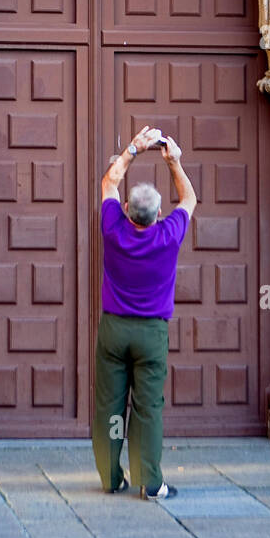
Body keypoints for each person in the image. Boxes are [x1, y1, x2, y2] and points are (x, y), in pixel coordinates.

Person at [93, 125, 197, 501]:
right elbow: (189, 199)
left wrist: (133, 150)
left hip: (114, 329)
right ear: (157, 215)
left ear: (126, 210)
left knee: (110, 404)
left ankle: (110, 476)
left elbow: (109, 181)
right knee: (148, 407)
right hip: (151, 332)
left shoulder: (112, 227)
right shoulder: (169, 234)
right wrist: (174, 163)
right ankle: (150, 482)